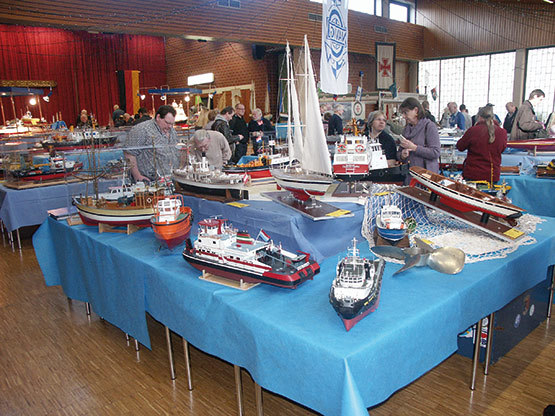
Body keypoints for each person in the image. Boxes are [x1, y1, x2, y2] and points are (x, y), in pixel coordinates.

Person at [124, 105, 180, 182]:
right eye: (167, 122)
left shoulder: (172, 131)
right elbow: (129, 153)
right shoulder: (141, 130)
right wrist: (137, 176)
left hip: (170, 178)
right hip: (149, 181)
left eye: (172, 123)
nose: (170, 126)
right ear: (158, 117)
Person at [456, 105, 507, 183]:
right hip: (492, 175)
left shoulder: (473, 131)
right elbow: (502, 149)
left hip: (473, 174)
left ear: (479, 117)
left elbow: (460, 146)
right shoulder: (502, 132)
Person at [398, 97, 440, 173]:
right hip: (409, 174)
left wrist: (414, 148)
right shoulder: (407, 129)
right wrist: (402, 155)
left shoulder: (429, 127)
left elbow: (435, 152)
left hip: (426, 175)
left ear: (416, 110)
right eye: (402, 113)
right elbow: (399, 153)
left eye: (406, 112)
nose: (404, 116)